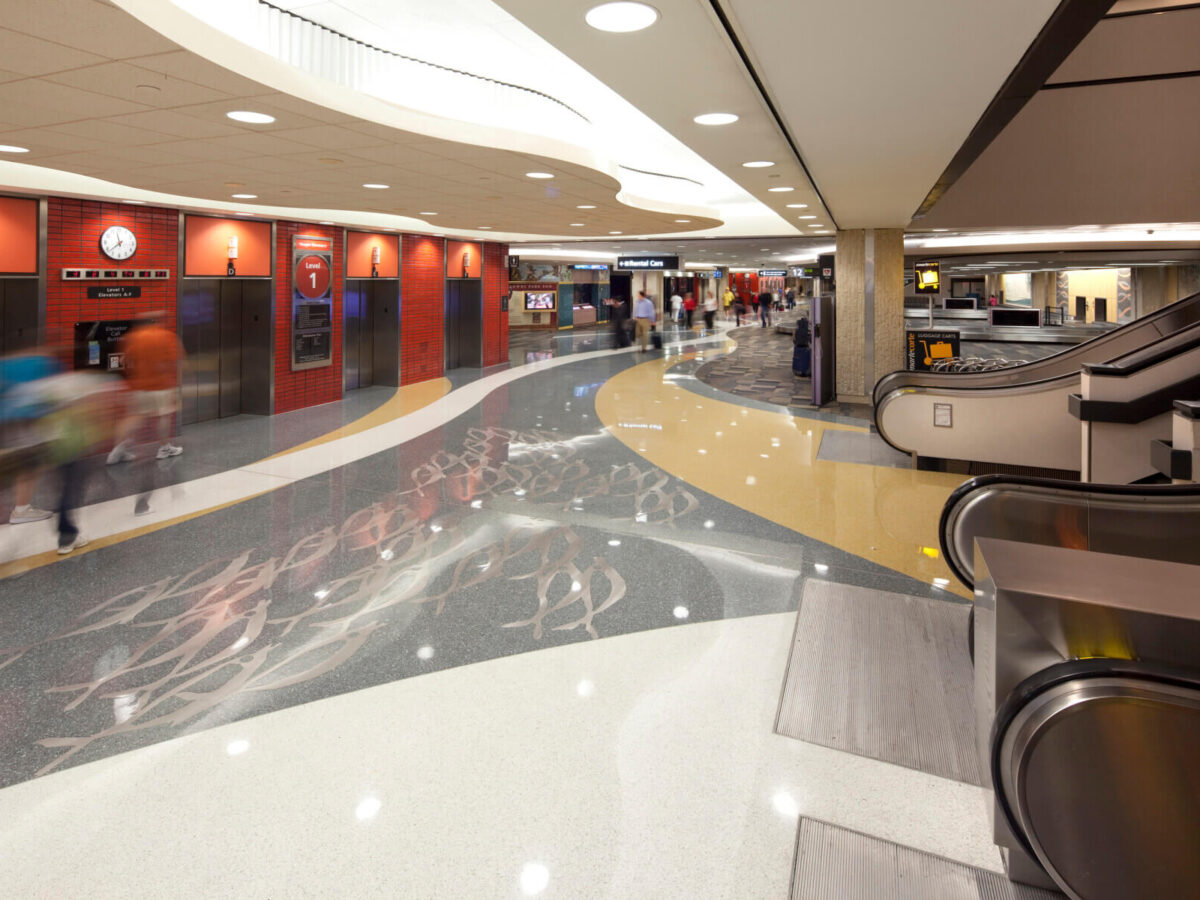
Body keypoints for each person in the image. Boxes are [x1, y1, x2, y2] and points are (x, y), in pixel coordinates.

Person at [107, 314, 184, 464]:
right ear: (159, 321)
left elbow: (123, 361)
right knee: (164, 416)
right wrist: (178, 384)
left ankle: (118, 449)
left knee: (134, 418)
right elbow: (177, 363)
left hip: (139, 386)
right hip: (162, 385)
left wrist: (133, 377)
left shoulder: (134, 338)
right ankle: (164, 449)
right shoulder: (167, 337)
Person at [1, 346, 58, 524]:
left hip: (9, 418)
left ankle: (21, 507)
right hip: (27, 419)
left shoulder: (6, 364)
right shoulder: (43, 362)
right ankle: (21, 509)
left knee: (24, 461)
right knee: (30, 463)